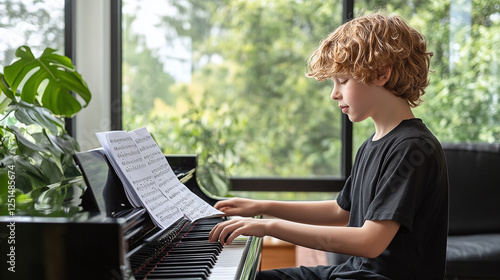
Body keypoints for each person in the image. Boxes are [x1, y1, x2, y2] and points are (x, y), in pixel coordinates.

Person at [208, 13, 449, 280]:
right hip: (355, 273)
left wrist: (269, 227)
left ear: (382, 74)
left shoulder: (413, 149)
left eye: (343, 80)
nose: (334, 93)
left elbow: (370, 241)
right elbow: (340, 211)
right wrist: (261, 206)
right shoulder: (372, 144)